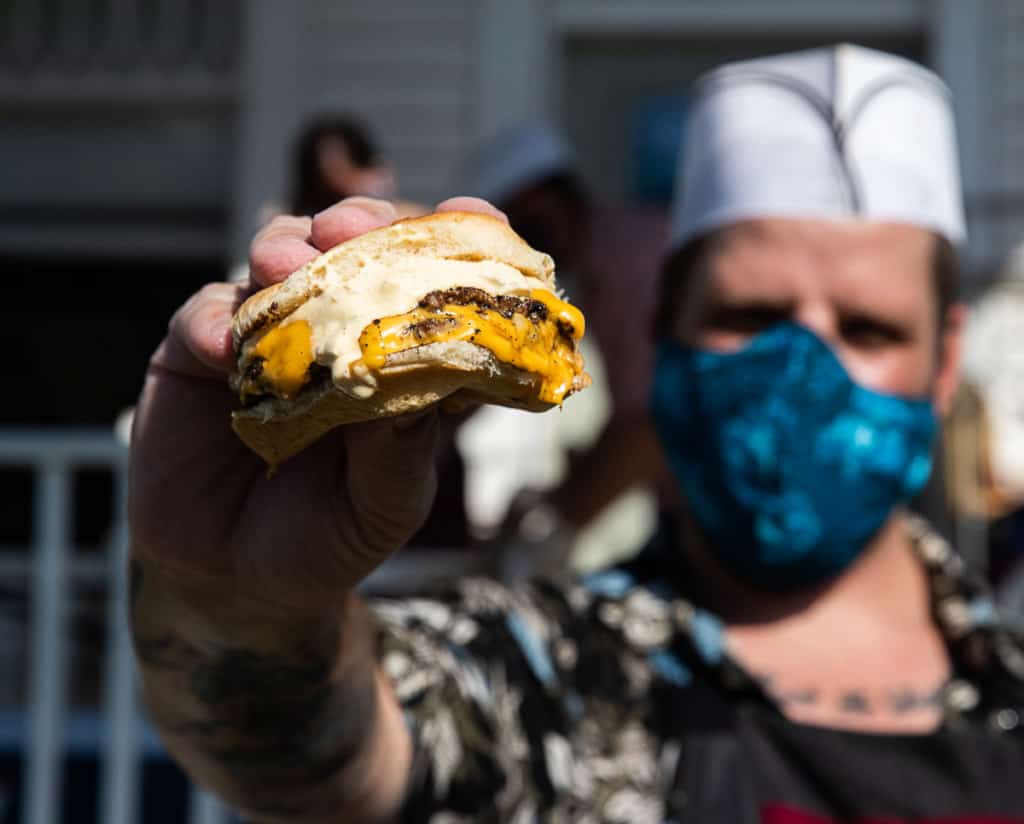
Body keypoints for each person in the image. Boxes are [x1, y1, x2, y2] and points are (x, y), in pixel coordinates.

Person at [128, 44, 1024, 823]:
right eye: (752, 315)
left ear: (944, 363)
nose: (800, 370)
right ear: (663, 326)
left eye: (868, 331)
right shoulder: (549, 678)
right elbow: (328, 760)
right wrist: (244, 607)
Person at [460, 120, 674, 568]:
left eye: (523, 225)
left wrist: (557, 523)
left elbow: (651, 423)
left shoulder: (629, 264)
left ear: (558, 199)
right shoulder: (599, 266)